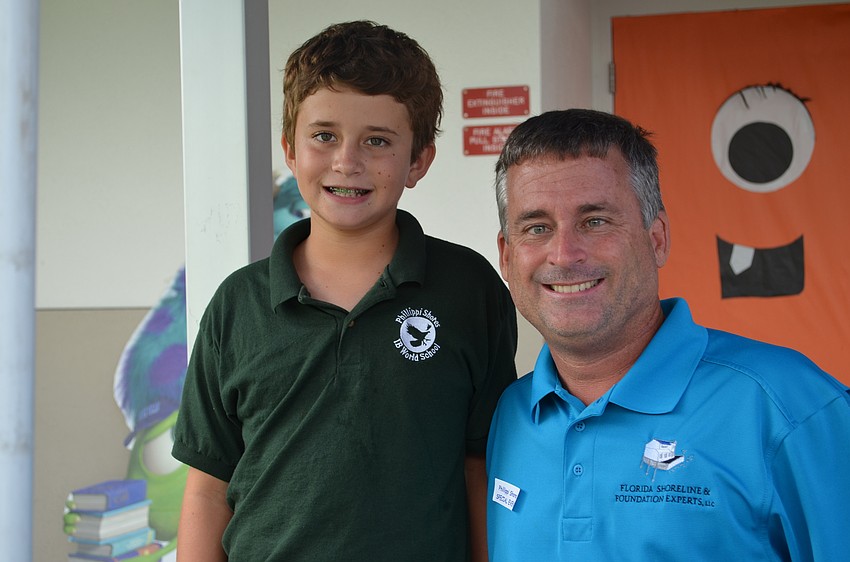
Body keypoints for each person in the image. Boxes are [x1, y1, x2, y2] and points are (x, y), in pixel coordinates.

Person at [172, 21, 517, 561]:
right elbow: (208, 488)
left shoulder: (469, 289)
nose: (346, 161)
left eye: (377, 140)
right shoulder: (237, 305)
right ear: (290, 149)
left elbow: (481, 469)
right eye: (324, 135)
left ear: (419, 160)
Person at [485, 108, 850, 561]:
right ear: (506, 256)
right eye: (536, 228)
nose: (563, 254)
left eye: (595, 221)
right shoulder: (513, 413)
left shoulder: (790, 407)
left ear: (656, 238)